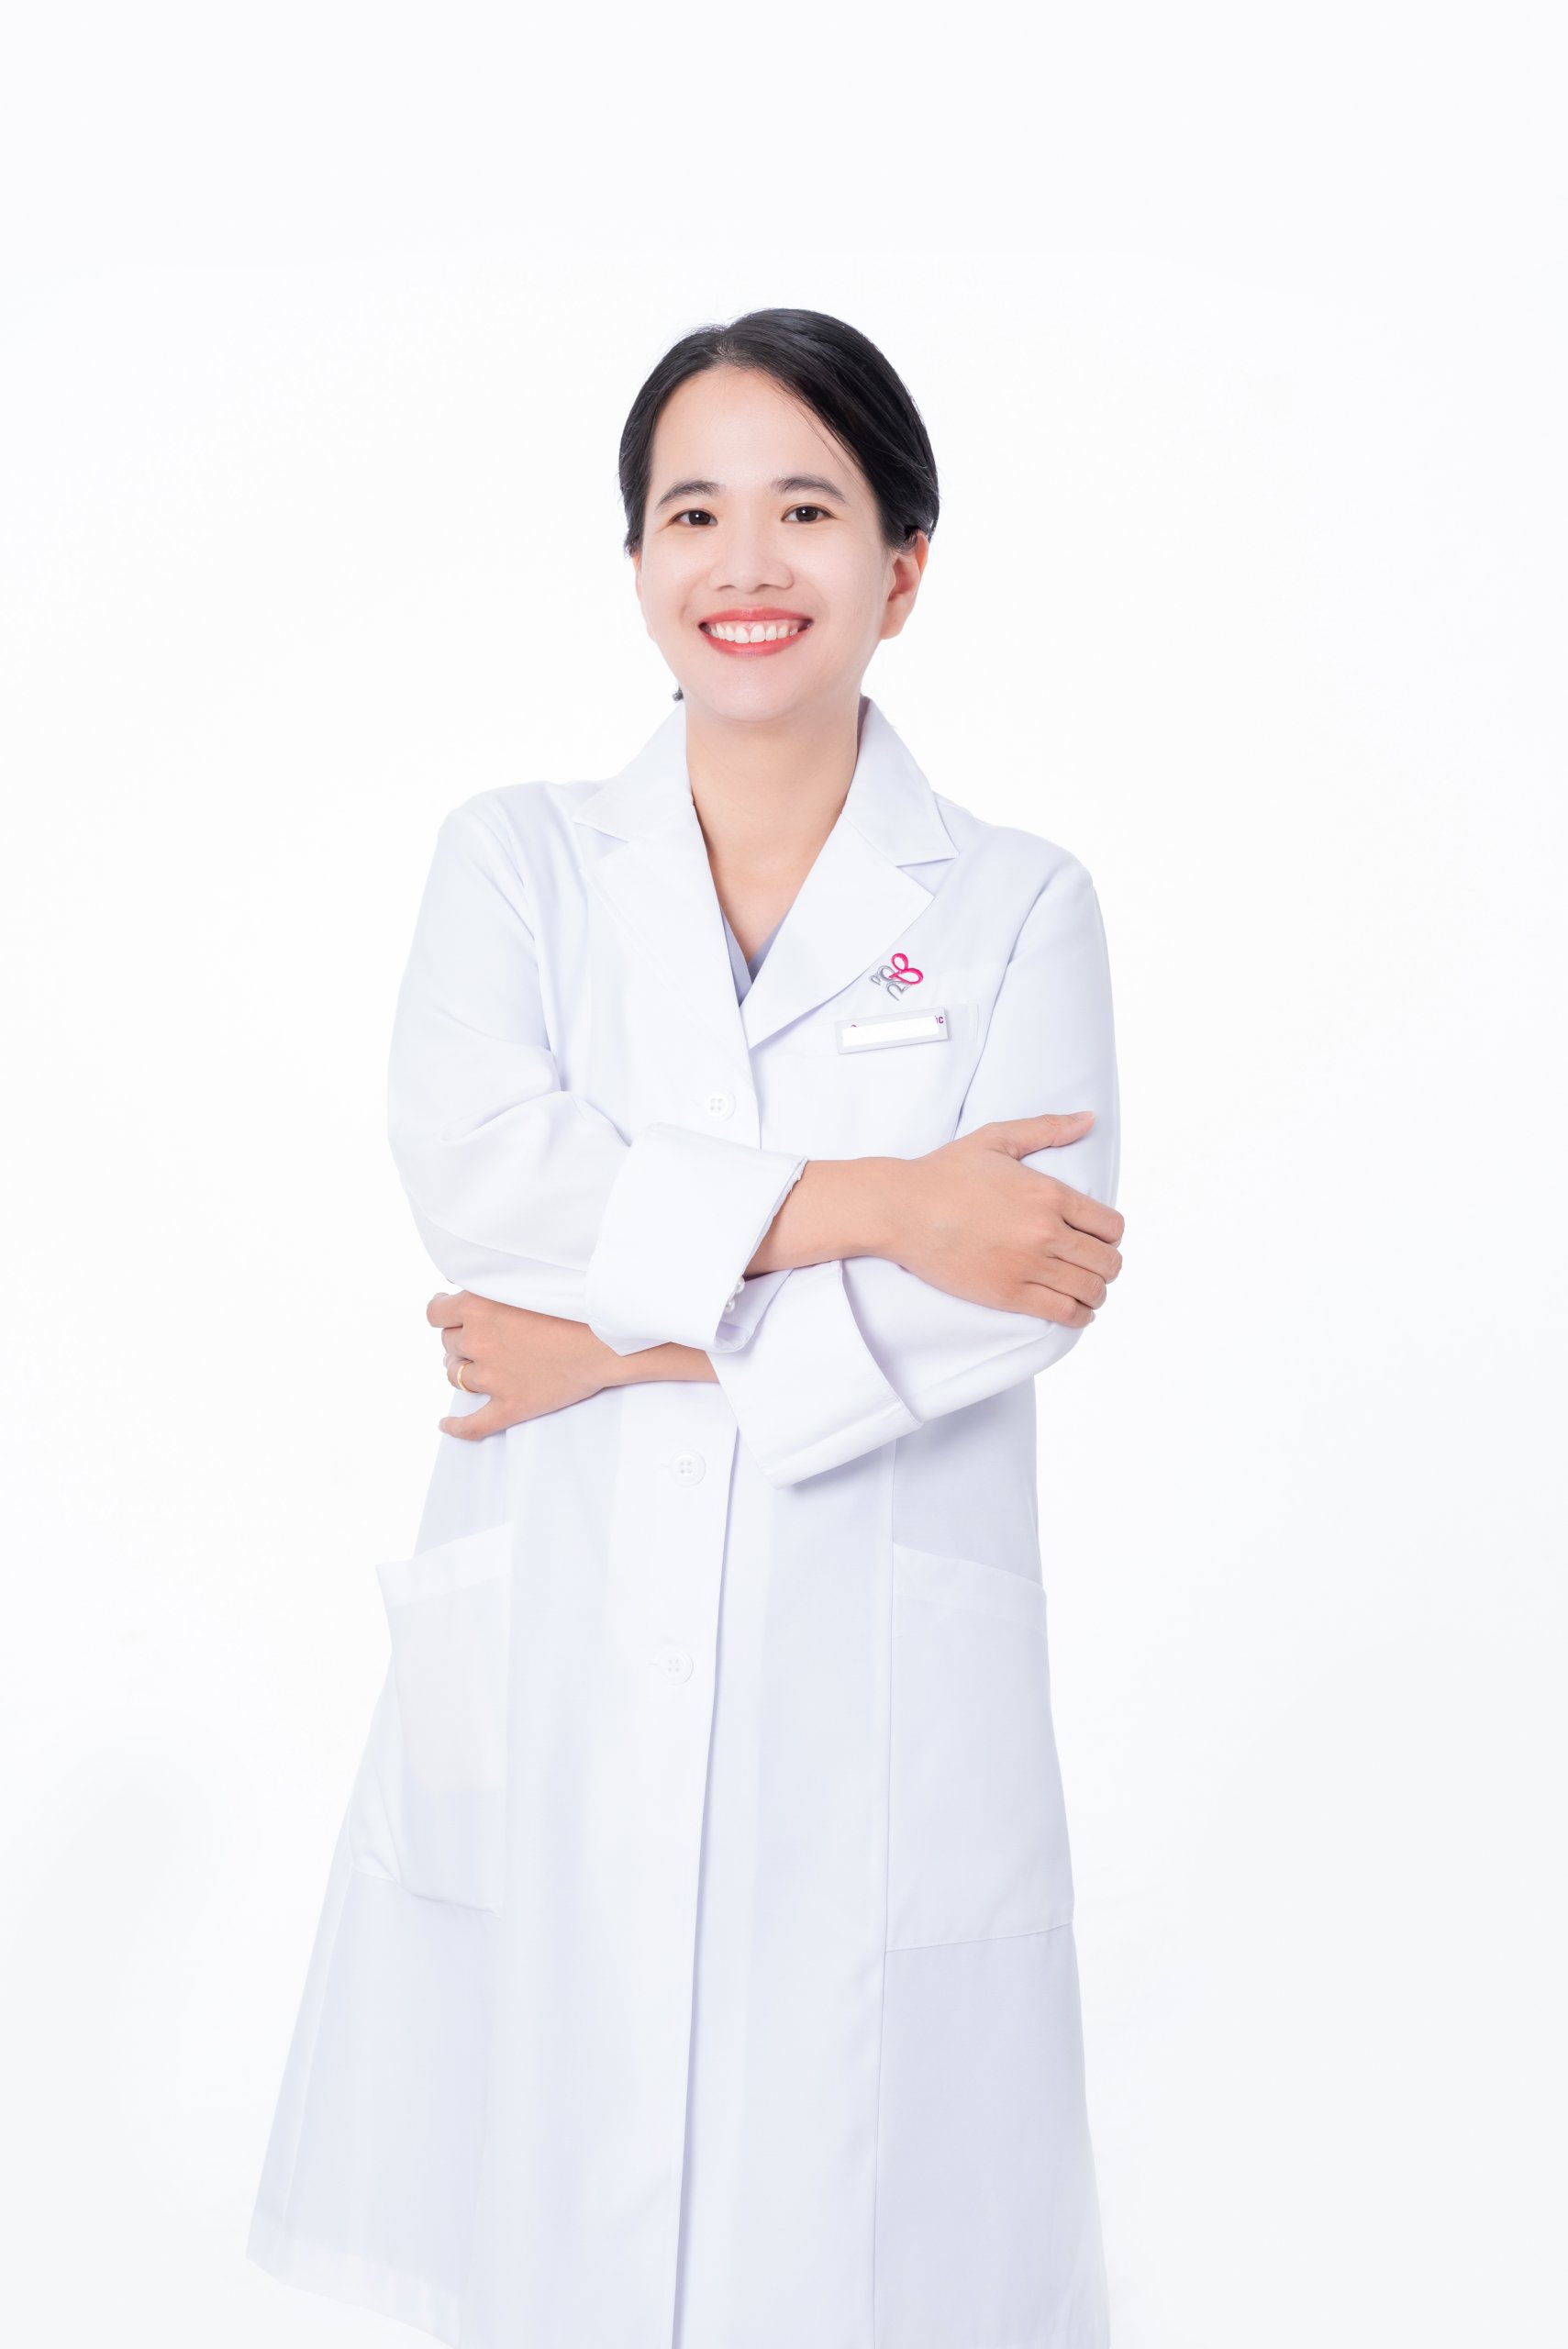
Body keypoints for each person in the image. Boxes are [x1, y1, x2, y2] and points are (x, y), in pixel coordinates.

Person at [246, 306, 1126, 2349]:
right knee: (550, 2202)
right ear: (637, 558)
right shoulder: (519, 861)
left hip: (869, 1677)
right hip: (565, 1636)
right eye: (693, 511)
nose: (747, 563)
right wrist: (888, 1202)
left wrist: (615, 1348)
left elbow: (1023, 1290)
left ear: (903, 566)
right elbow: (489, 1175)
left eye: (807, 510)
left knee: (860, 2235)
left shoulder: (1017, 903)